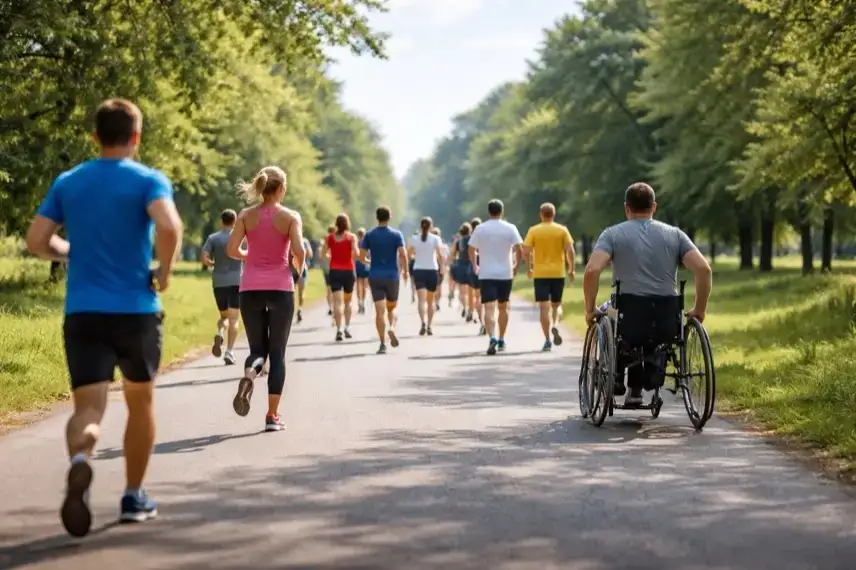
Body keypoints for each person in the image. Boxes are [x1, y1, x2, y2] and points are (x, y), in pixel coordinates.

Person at [25, 98, 183, 536]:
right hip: (136, 310)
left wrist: (68, 250)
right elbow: (169, 227)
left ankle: (82, 455)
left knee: (89, 408)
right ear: (136, 137)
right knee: (139, 401)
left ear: (95, 136)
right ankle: (134, 495)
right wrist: (163, 273)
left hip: (84, 313)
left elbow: (37, 239)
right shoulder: (148, 180)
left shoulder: (69, 181)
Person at [583, 182, 712, 406]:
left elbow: (592, 270)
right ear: (654, 207)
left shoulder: (612, 234)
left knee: (606, 312)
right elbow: (703, 269)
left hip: (628, 315)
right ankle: (638, 387)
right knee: (650, 330)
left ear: (627, 208)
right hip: (666, 317)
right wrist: (699, 309)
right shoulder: (676, 235)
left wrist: (589, 309)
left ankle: (617, 378)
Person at [227, 165, 305, 431]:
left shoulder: (246, 215)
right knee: (278, 354)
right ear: (281, 188)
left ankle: (251, 373)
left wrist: (251, 256)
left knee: (257, 351)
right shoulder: (290, 216)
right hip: (280, 289)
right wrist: (296, 266)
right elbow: (298, 250)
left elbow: (231, 249)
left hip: (250, 290)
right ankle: (272, 417)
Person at [469, 200, 523, 355]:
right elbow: (519, 248)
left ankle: (491, 337)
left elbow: (471, 248)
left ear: (488, 212)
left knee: (489, 308)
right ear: (502, 211)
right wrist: (516, 265)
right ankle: (501, 338)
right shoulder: (510, 228)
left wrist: (475, 265)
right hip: (505, 273)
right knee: (503, 307)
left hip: (486, 273)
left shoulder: (480, 228)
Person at [522, 202, 576, 352]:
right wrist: (571, 269)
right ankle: (555, 325)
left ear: (541, 215)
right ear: (554, 214)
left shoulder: (534, 230)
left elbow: (525, 250)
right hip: (557, 273)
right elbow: (570, 250)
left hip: (540, 274)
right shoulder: (562, 230)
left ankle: (547, 340)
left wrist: (529, 267)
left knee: (543, 308)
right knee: (556, 305)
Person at [359, 206, 408, 354]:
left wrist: (370, 262)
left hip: (375, 276)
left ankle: (382, 343)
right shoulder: (396, 234)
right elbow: (403, 254)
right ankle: (392, 328)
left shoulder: (369, 235)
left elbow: (361, 257)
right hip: (392, 276)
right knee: (391, 308)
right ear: (390, 217)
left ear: (377, 217)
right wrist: (405, 271)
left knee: (379, 312)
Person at [201, 209, 243, 364]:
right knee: (234, 318)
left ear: (221, 221)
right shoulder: (240, 238)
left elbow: (204, 257)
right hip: (237, 280)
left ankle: (220, 332)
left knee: (224, 316)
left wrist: (211, 263)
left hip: (218, 282)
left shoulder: (213, 238)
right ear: (235, 221)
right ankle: (230, 352)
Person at [321, 213, 358, 341]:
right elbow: (356, 253)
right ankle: (347, 327)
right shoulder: (351, 237)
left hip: (335, 271)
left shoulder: (330, 238)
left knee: (337, 302)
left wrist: (331, 257)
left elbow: (322, 254)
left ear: (336, 224)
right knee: (348, 301)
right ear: (347, 224)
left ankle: (339, 330)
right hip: (348, 271)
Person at [409, 217, 446, 335]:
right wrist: (442, 268)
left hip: (418, 270)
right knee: (431, 301)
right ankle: (429, 325)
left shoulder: (414, 238)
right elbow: (441, 255)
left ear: (420, 226)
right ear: (431, 227)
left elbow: (409, 254)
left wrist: (416, 256)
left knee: (421, 300)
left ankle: (423, 323)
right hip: (432, 270)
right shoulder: (436, 238)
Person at [450, 223, 474, 321]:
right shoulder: (473, 240)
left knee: (462, 291)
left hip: (461, 266)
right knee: (471, 291)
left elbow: (452, 254)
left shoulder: (458, 241)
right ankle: (471, 311)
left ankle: (464, 307)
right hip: (471, 266)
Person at [290, 236, 313, 323]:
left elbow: (310, 254)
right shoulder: (303, 240)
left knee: (295, 292)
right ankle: (297, 309)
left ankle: (296, 310)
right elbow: (310, 254)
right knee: (298, 291)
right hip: (296, 269)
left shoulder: (301, 240)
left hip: (296, 269)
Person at [355, 227, 370, 314]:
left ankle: (359, 302)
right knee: (364, 285)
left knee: (358, 284)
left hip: (357, 265)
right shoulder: (366, 243)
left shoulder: (355, 243)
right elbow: (369, 255)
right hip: (365, 265)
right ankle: (362, 302)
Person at [319, 227, 334, 317]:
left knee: (330, 289)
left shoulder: (326, 242)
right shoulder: (328, 242)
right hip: (329, 269)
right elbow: (322, 256)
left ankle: (331, 307)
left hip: (329, 269)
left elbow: (321, 256)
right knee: (330, 289)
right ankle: (331, 307)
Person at [431, 227, 447, 312]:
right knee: (439, 286)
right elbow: (444, 258)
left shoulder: (429, 244)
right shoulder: (443, 246)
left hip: (432, 267)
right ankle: (437, 302)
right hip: (440, 267)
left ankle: (434, 301)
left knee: (433, 287)